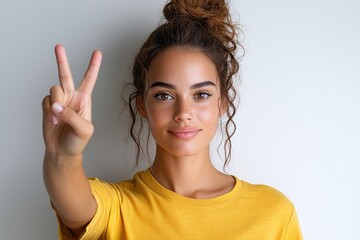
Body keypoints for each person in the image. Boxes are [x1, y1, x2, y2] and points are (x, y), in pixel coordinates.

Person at [42, 0, 303, 239]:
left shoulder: (273, 213)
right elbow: (73, 205)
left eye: (201, 94)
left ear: (222, 102)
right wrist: (63, 155)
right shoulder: (116, 208)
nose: (183, 112)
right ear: (142, 105)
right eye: (164, 95)